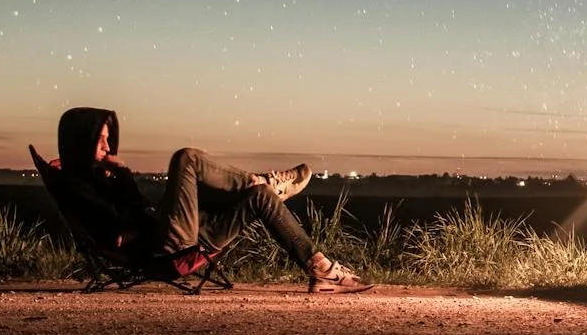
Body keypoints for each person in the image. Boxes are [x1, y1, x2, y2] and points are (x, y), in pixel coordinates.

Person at [49, 107, 372, 294]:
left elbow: (132, 211)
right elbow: (117, 233)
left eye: (108, 137)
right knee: (186, 159)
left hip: (175, 233)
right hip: (163, 247)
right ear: (81, 140)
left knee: (258, 198)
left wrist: (124, 179)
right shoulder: (77, 186)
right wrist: (133, 202)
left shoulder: (104, 177)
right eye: (100, 138)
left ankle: (322, 270)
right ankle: (264, 180)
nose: (107, 145)